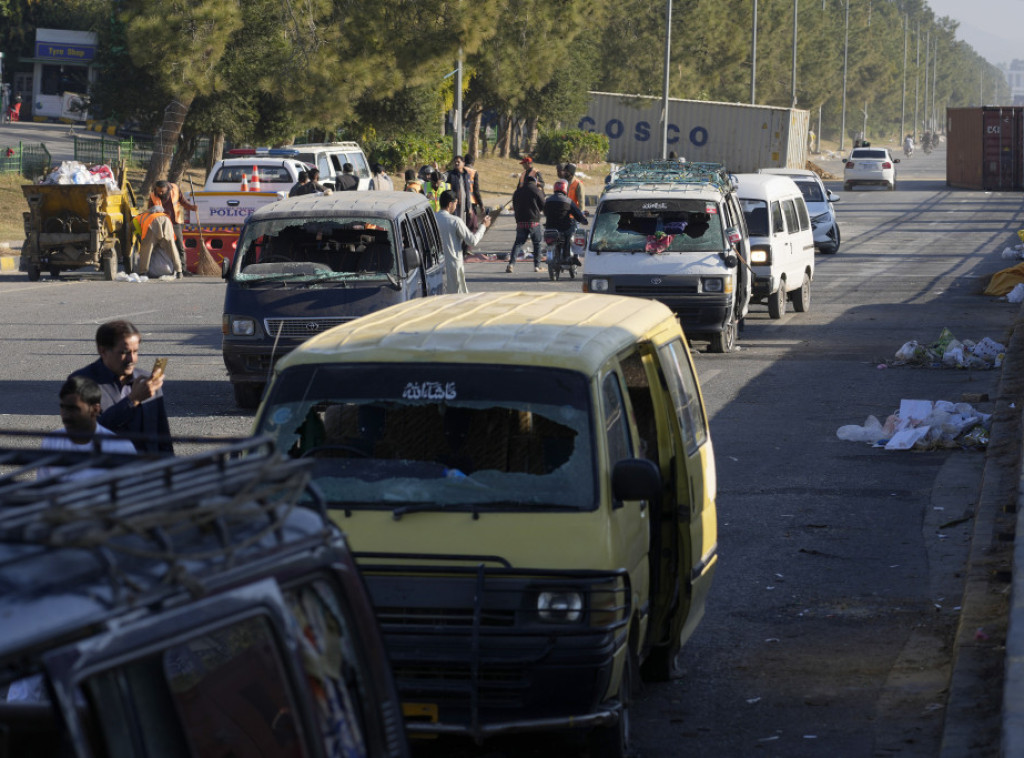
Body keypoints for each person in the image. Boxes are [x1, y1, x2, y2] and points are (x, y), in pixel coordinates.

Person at [70, 320, 173, 455]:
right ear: (103, 351)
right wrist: (132, 401)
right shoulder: (81, 382)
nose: (132, 359)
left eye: (135, 351)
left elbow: (162, 436)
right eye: (124, 352)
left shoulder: (148, 382)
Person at [38, 375, 137, 481]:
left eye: (74, 409)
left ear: (95, 410)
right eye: (63, 408)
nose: (66, 415)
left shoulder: (119, 448)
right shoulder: (51, 442)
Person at [434, 189, 492, 294]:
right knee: (458, 297)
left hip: (435, 267)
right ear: (450, 204)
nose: (456, 206)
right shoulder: (455, 221)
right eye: (456, 203)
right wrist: (483, 226)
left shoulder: (432, 219)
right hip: (453, 266)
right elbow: (472, 241)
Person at [149, 180, 198, 261]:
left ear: (167, 189)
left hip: (175, 223)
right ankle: (167, 268)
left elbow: (183, 202)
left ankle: (182, 269)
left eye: (162, 191)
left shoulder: (175, 189)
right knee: (163, 247)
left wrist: (192, 207)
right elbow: (150, 211)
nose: (160, 193)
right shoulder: (153, 195)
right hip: (161, 225)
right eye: (158, 191)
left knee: (179, 247)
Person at [543, 179, 587, 268]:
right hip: (564, 227)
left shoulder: (548, 200)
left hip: (549, 227)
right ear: (565, 189)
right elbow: (577, 214)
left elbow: (545, 212)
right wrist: (583, 220)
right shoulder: (568, 201)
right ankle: (568, 256)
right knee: (571, 235)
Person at [135, 204, 185, 279]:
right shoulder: (164, 215)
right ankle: (179, 271)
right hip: (166, 222)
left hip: (152, 225)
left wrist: (141, 240)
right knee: (172, 248)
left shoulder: (139, 217)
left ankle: (143, 272)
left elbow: (138, 232)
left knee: (146, 250)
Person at [508, 174, 545, 273]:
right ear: (535, 181)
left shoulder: (518, 191)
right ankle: (537, 266)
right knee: (537, 244)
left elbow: (514, 206)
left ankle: (511, 264)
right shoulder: (537, 190)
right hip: (533, 222)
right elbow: (543, 204)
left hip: (520, 222)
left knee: (518, 243)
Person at [446, 155, 481, 232]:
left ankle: (462, 243)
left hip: (464, 206)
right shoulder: (451, 175)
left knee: (463, 226)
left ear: (463, 163)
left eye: (458, 162)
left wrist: (469, 208)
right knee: (455, 226)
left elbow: (467, 192)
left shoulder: (466, 175)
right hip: (454, 205)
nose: (456, 163)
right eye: (455, 162)